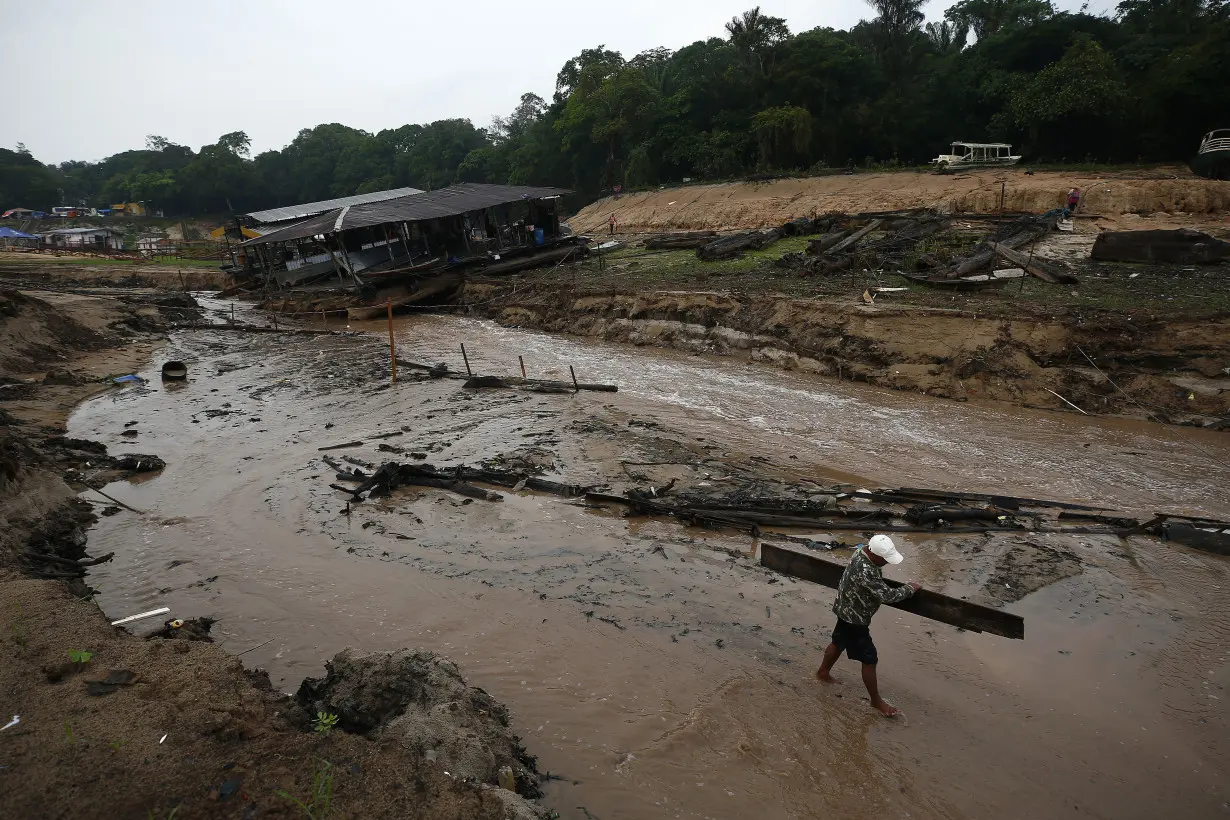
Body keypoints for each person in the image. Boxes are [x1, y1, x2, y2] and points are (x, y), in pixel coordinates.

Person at [816, 534, 919, 717]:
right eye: (884, 559)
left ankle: (823, 672)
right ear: (874, 555)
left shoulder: (860, 551)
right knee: (870, 658)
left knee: (838, 643)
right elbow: (888, 596)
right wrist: (910, 588)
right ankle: (876, 701)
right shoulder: (866, 570)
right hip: (855, 617)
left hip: (844, 607)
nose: (886, 563)